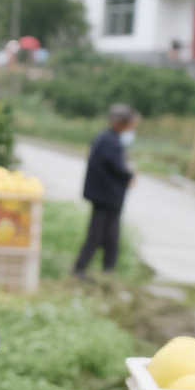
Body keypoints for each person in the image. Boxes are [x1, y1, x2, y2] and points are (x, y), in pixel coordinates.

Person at [74, 103, 138, 278]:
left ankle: (107, 270)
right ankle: (81, 270)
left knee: (110, 235)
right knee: (98, 235)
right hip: (105, 197)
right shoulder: (110, 141)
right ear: (121, 123)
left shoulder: (108, 139)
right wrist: (129, 175)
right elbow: (118, 168)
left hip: (108, 197)